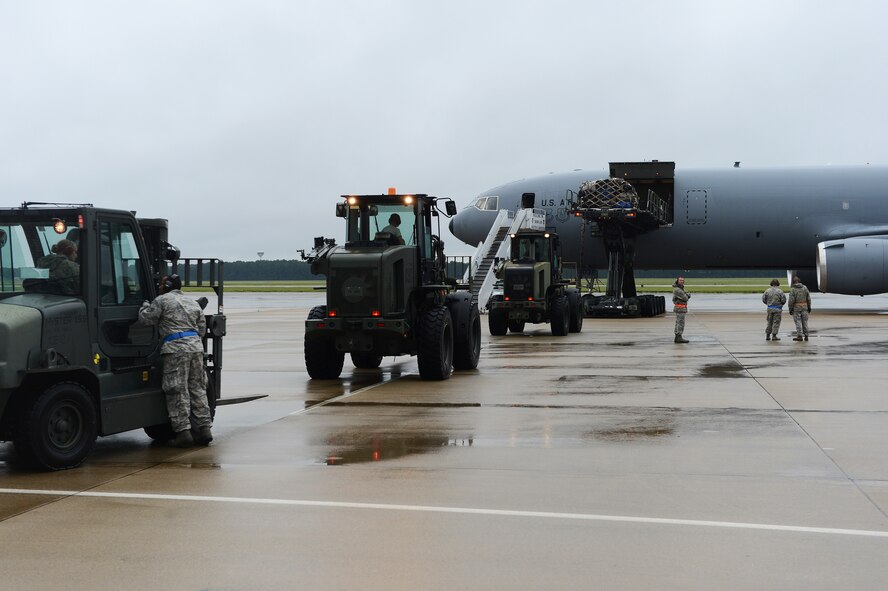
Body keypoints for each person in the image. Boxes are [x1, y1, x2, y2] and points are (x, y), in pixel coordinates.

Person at [139, 274, 213, 447]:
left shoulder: (162, 300)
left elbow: (146, 319)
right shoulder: (192, 302)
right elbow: (202, 329)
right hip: (195, 348)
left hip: (175, 349)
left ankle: (183, 433)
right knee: (197, 388)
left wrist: (144, 306)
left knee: (176, 390)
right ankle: (204, 430)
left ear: (166, 286)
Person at [788, 275, 812, 341]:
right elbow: (808, 298)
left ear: (793, 282)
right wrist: (809, 307)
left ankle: (800, 336)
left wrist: (790, 309)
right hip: (805, 307)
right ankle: (806, 335)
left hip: (796, 308)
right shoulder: (805, 288)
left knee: (798, 322)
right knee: (805, 322)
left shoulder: (793, 289)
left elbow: (791, 300)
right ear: (799, 281)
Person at [672, 275, 690, 343]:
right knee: (680, 323)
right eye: (680, 280)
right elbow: (685, 298)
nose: (682, 281)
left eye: (683, 280)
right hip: (680, 308)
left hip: (681, 308)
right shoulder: (678, 290)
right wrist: (687, 295)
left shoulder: (681, 288)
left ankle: (678, 337)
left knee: (678, 322)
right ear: (677, 281)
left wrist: (687, 294)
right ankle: (679, 337)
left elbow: (688, 294)